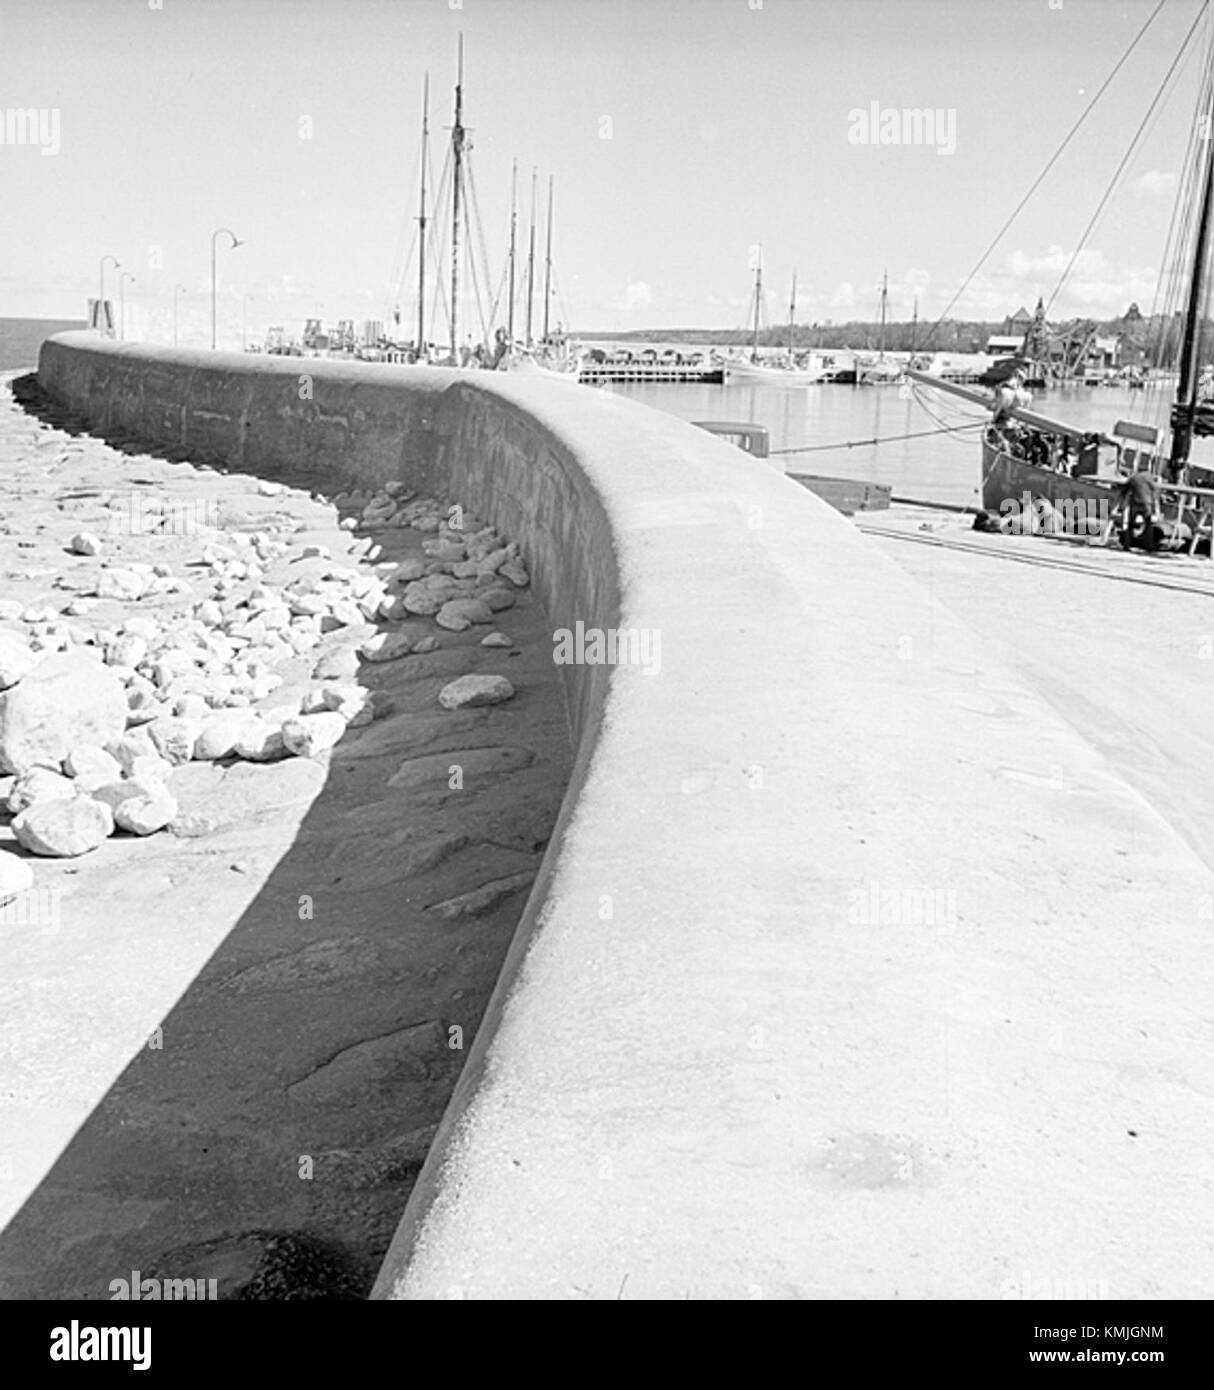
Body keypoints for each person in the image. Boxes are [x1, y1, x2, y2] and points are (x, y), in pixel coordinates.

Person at [1117, 466, 1161, 553]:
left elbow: (1124, 490)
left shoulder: (1133, 478)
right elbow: (1156, 490)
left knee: (1130, 524)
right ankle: (1148, 546)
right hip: (1147, 504)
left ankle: (1127, 544)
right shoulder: (1149, 478)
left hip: (1135, 503)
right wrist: (1155, 502)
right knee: (1148, 525)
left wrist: (1122, 503)